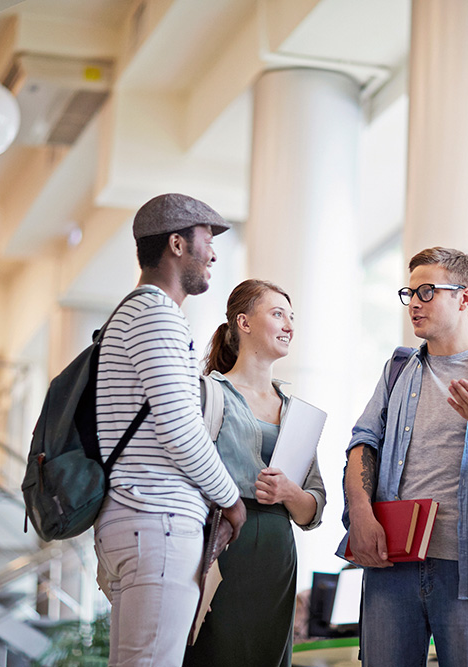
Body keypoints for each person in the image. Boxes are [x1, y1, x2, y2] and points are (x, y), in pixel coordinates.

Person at [338, 247, 468, 667]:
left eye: (427, 291)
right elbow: (363, 441)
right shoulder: (398, 368)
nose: (414, 303)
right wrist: (360, 513)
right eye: (409, 293)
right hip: (392, 559)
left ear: (464, 298)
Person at [93, 193, 247, 667]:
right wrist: (230, 499)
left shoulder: (130, 315)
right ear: (177, 244)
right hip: (156, 521)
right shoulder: (156, 314)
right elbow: (180, 430)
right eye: (207, 241)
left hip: (133, 518)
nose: (214, 254)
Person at [184, 279, 326, 667]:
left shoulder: (297, 411)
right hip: (221, 547)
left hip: (278, 557)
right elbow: (182, 479)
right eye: (278, 314)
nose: (289, 326)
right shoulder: (206, 394)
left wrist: (288, 493)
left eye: (292, 317)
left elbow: (314, 508)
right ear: (243, 323)